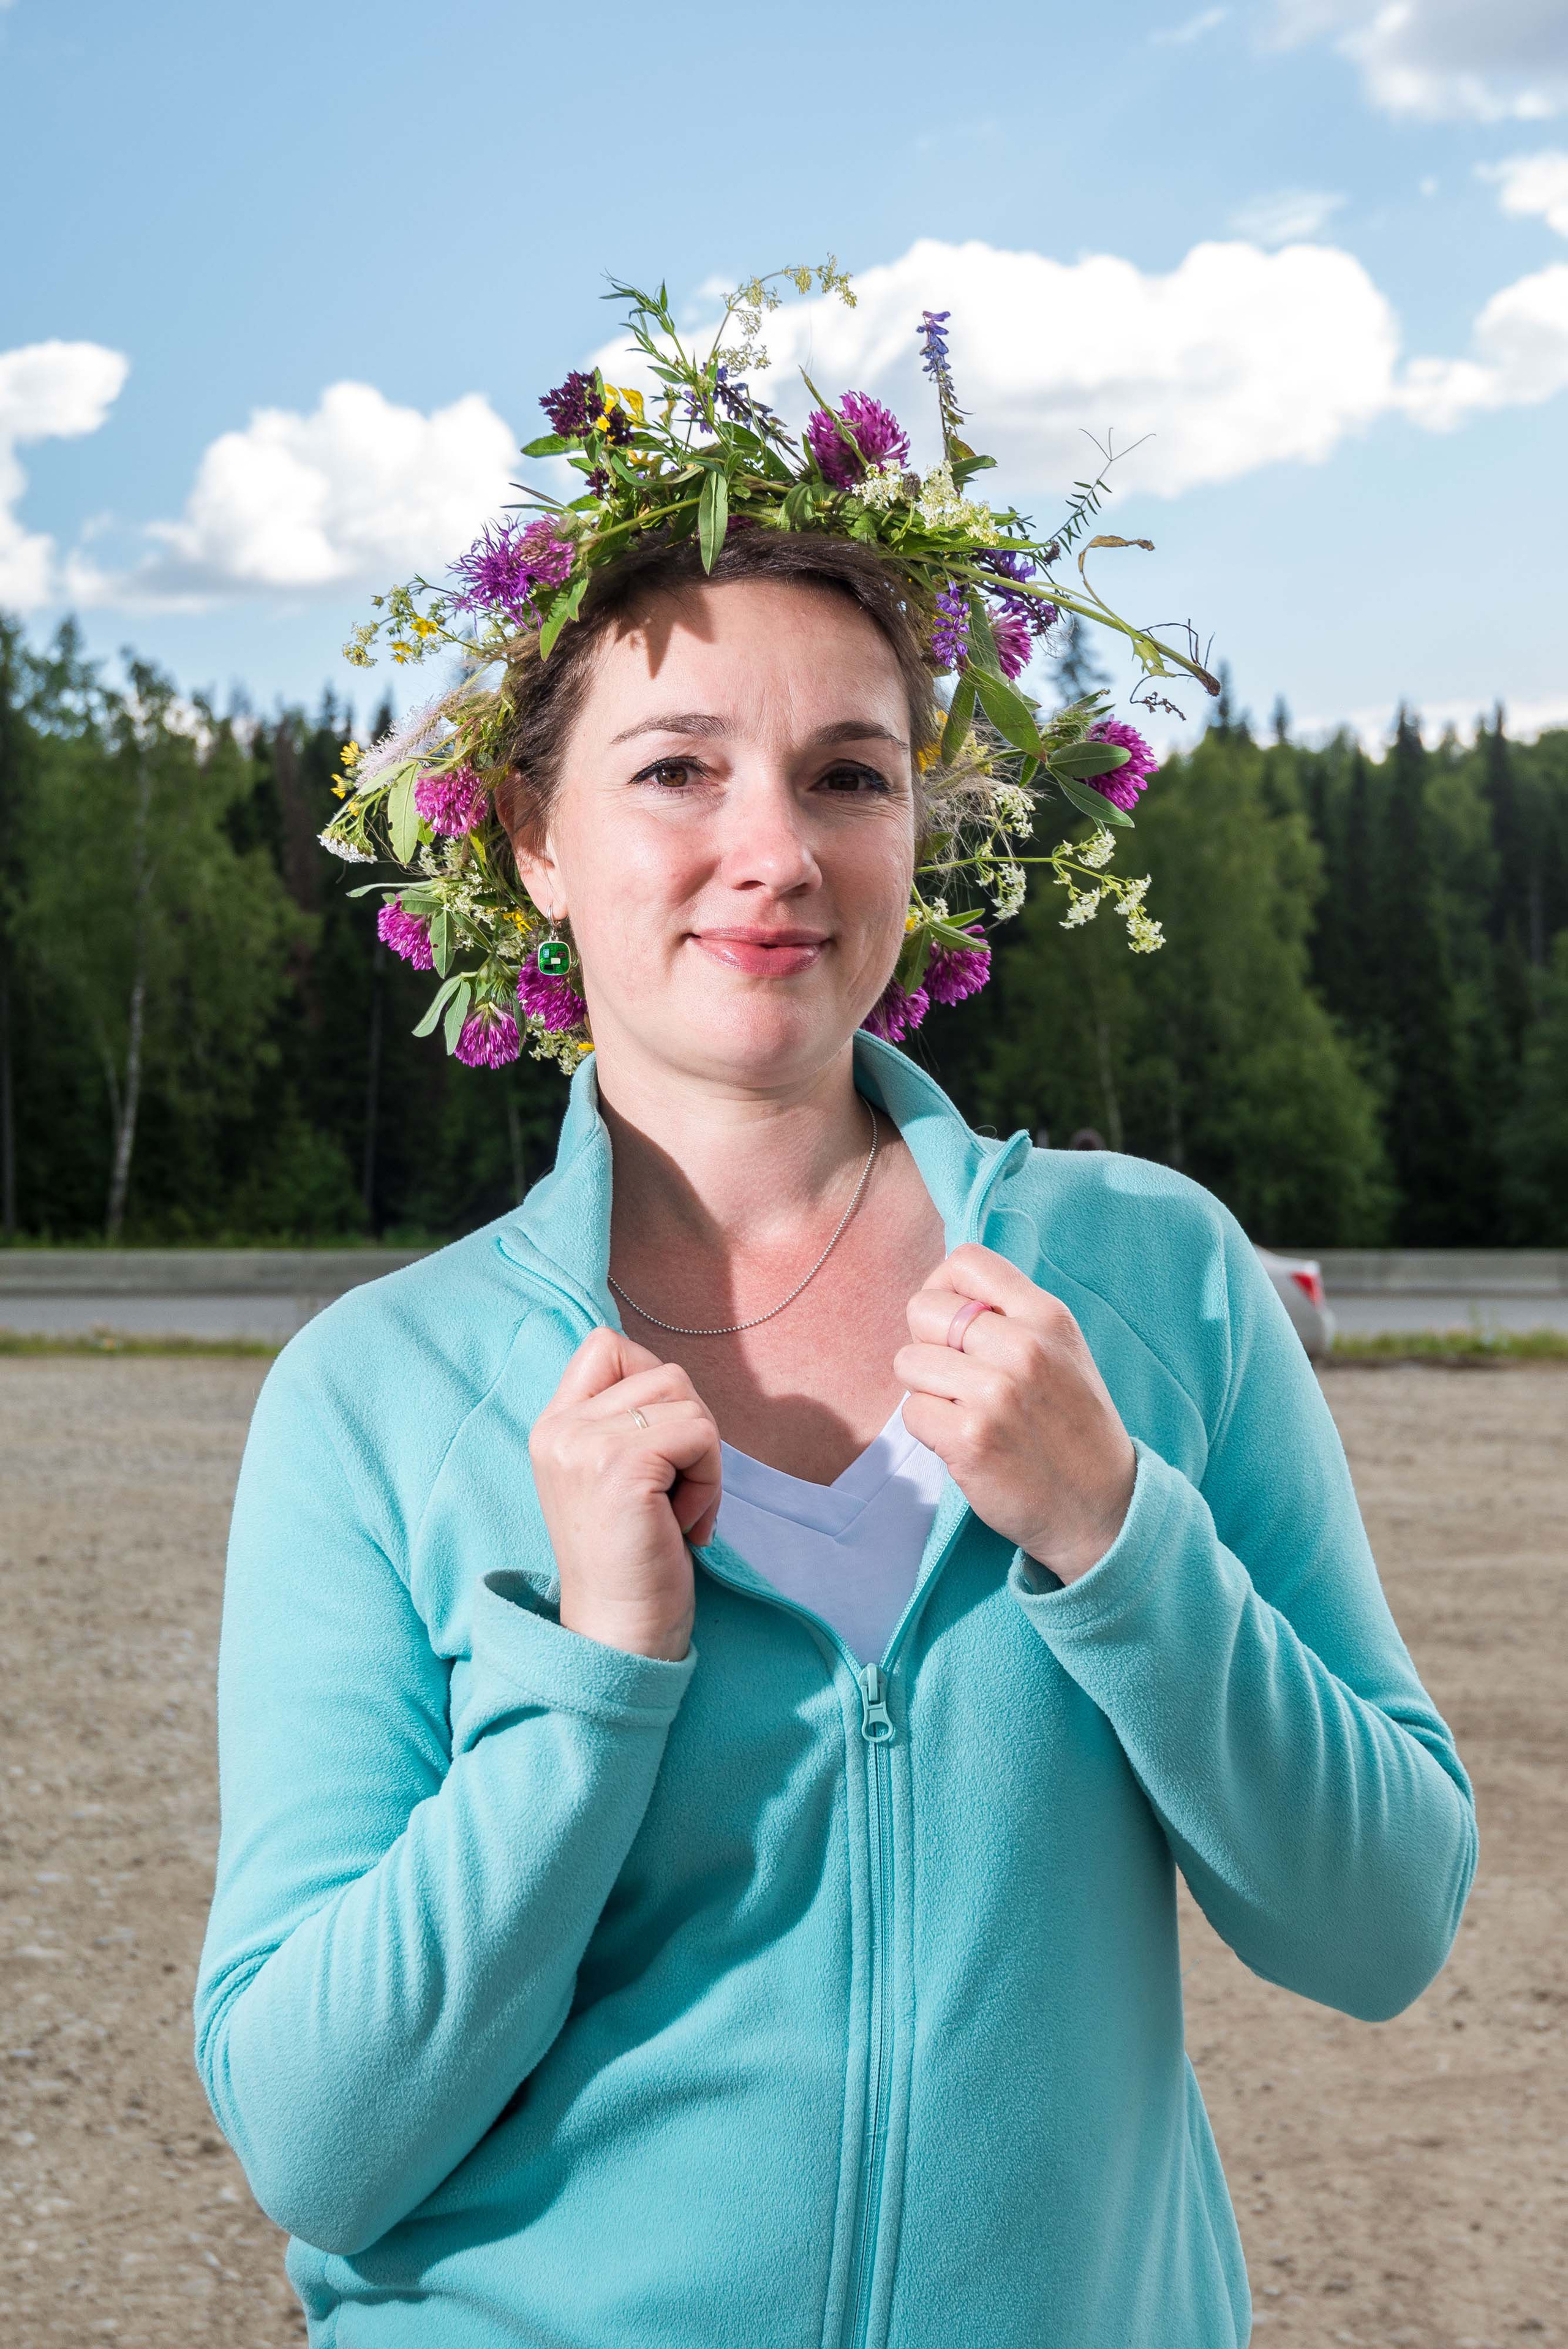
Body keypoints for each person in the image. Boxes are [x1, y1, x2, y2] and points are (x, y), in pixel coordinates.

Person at [195, 267, 1476, 2349]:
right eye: (679, 768)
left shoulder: (1149, 1284)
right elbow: (318, 2140)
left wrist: (1118, 1536)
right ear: (530, 838)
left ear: (919, 831)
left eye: (852, 775)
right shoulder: (376, 1398)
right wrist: (591, 1679)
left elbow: (1383, 1921)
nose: (773, 851)